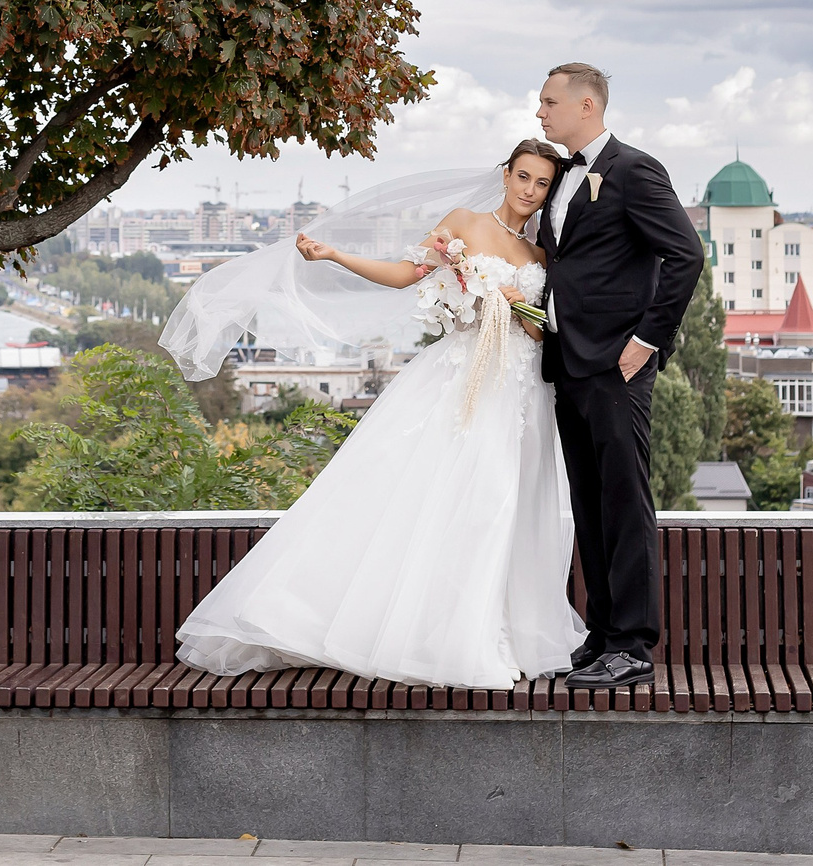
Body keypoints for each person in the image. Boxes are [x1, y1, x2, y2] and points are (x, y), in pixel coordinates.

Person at [165, 140, 583, 689]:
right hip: (462, 379)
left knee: (503, 507)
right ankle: (410, 632)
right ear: (505, 175)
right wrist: (337, 256)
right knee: (430, 499)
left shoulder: (541, 258)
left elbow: (536, 330)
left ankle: (491, 628)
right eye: (523, 177)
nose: (530, 191)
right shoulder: (463, 222)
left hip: (521, 390)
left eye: (542, 183)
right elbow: (410, 273)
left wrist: (509, 300)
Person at [531, 61, 707, 688]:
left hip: (616, 364)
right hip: (568, 362)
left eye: (549, 102)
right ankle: (602, 635)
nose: (541, 112)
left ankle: (631, 645)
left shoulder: (633, 170)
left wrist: (647, 341)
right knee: (591, 503)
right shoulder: (560, 181)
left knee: (625, 502)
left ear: (587, 107)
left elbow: (686, 254)